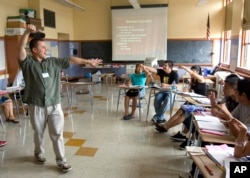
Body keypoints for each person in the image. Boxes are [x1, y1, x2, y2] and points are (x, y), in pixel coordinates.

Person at [17, 24, 102, 172]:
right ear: (34, 50)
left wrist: (88, 61)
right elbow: (20, 50)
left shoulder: (53, 62)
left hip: (54, 104)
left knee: (57, 133)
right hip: (36, 104)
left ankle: (62, 161)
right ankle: (39, 154)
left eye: (46, 47)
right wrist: (26, 32)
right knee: (38, 133)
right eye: (43, 47)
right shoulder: (28, 64)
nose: (46, 49)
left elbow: (71, 59)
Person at [155, 65, 207, 149]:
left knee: (183, 115)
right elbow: (193, 92)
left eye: (193, 72)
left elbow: (193, 76)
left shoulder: (201, 78)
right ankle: (165, 125)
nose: (191, 74)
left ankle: (167, 127)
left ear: (197, 72)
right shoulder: (192, 81)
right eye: (191, 71)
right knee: (179, 111)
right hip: (191, 101)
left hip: (199, 104)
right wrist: (187, 91)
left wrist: (185, 68)